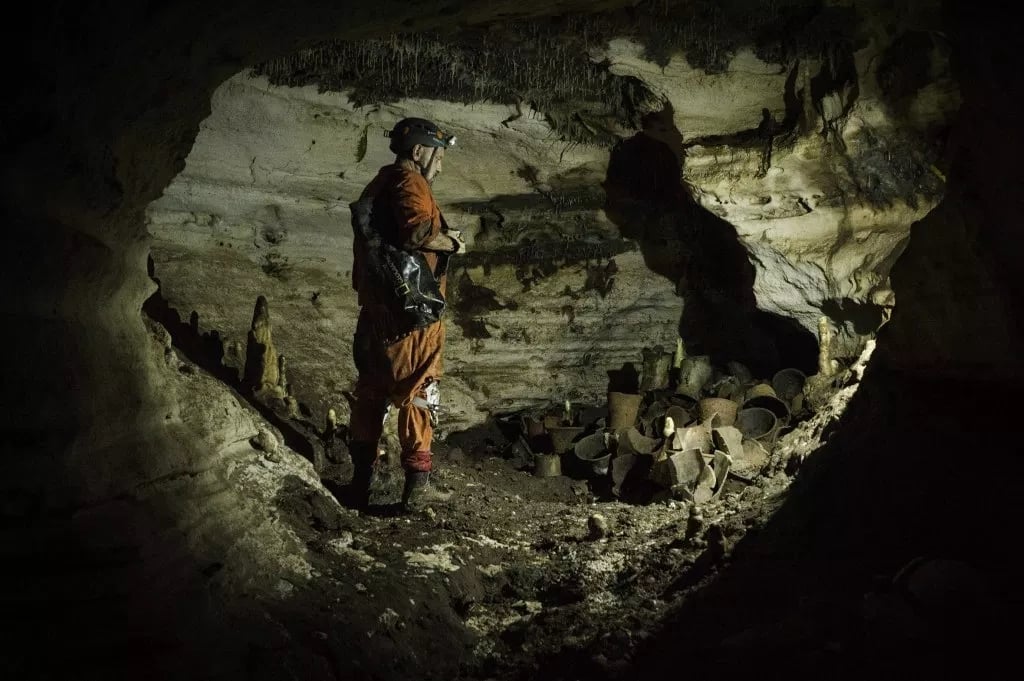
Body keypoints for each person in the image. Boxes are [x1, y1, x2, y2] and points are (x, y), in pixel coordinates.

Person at [347, 117, 464, 511]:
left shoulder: (378, 184)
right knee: (418, 390)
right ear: (419, 151)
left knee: (372, 391)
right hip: (411, 315)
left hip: (376, 311)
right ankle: (416, 490)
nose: (441, 165)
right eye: (439, 155)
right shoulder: (410, 182)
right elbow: (417, 233)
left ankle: (360, 482)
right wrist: (451, 244)